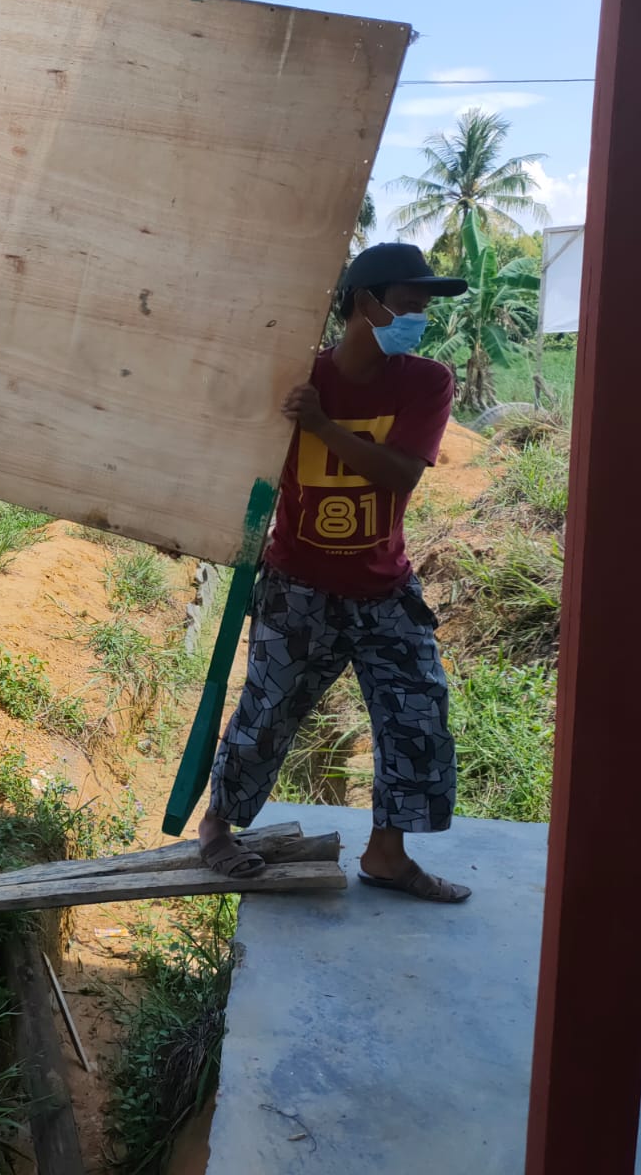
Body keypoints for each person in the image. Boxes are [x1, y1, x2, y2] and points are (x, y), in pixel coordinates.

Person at [195, 243, 473, 903]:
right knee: (266, 712)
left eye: (423, 309)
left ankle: (387, 855)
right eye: (409, 305)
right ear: (365, 303)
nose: (419, 319)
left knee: (417, 716)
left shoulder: (425, 382)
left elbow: (400, 474)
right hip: (298, 588)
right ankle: (217, 827)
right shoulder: (296, 377)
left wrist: (319, 425)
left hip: (385, 590)